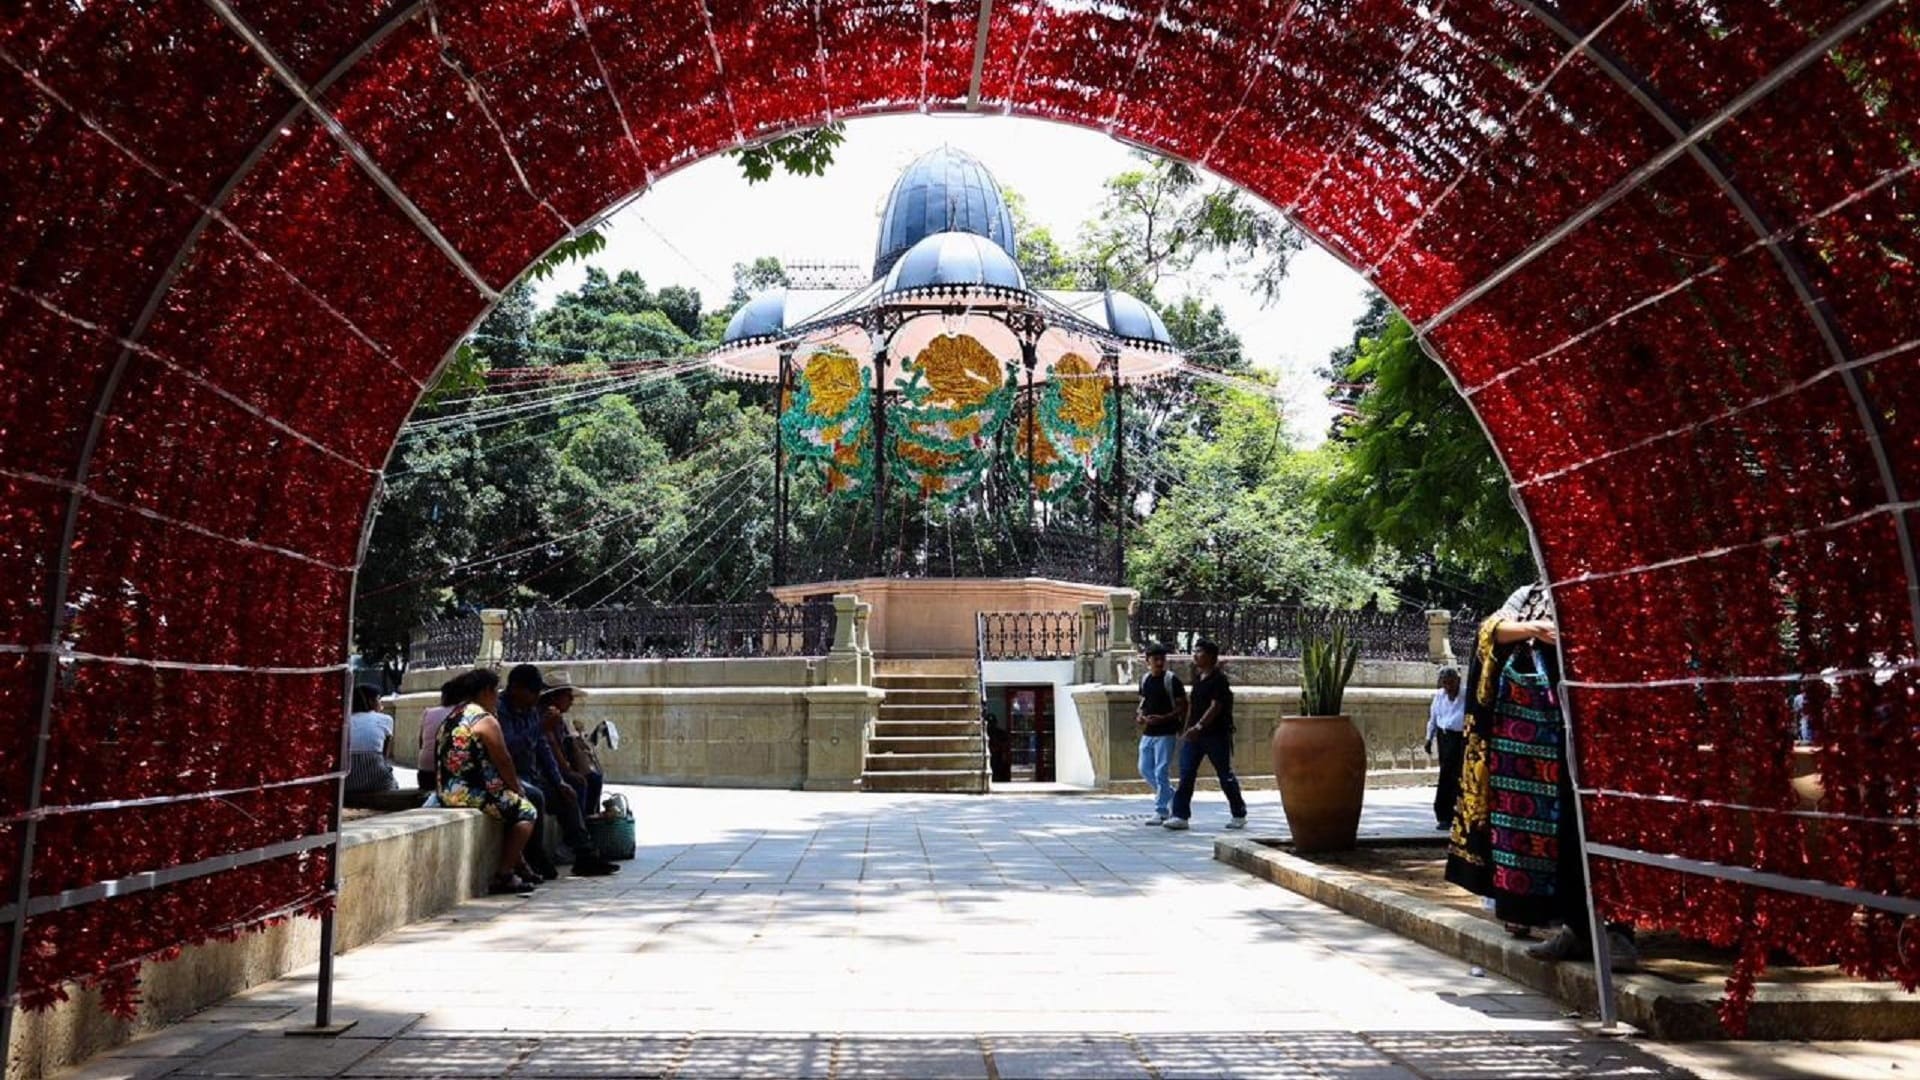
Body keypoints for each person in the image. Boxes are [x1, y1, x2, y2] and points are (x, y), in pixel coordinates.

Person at [1444, 583, 1638, 970]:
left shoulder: (1606, 584)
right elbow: (1492, 628)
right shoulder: (1533, 591)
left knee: (1600, 827)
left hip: (1595, 734)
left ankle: (1618, 933)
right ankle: (1577, 930)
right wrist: (1535, 630)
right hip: (1537, 746)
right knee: (1556, 837)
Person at [499, 664, 621, 877]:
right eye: (532, 693)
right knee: (536, 797)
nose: (535, 699)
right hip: (511, 775)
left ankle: (585, 854)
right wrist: (541, 728)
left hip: (532, 775)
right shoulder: (501, 711)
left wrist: (559, 781)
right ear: (517, 689)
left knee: (567, 795)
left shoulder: (532, 711)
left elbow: (543, 750)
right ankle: (533, 856)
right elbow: (509, 748)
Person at [433, 668, 539, 895]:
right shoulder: (484, 720)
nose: (498, 698)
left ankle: (522, 866)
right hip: (469, 793)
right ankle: (504, 874)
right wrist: (516, 788)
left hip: (447, 791)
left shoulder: (454, 715)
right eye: (496, 692)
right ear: (485, 692)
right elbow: (503, 759)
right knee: (526, 811)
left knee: (506, 809)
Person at [1164, 639, 1247, 831]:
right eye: (1195, 651)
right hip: (1194, 736)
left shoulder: (1219, 680)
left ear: (1211, 656)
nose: (1195, 656)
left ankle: (1239, 813)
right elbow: (1193, 706)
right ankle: (1180, 815)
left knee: (1224, 774)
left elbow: (1215, 706)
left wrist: (1199, 727)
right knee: (1186, 775)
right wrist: (1186, 728)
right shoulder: (1198, 678)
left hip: (1215, 735)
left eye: (1199, 652)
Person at [1135, 642, 1188, 824]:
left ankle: (1161, 810)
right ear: (1147, 661)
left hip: (1166, 732)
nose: (1159, 663)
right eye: (1155, 659)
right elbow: (1143, 701)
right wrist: (1140, 715)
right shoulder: (1145, 680)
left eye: (1162, 659)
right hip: (1149, 732)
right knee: (1144, 768)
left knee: (1161, 771)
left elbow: (1182, 706)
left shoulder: (1171, 680)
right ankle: (1171, 795)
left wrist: (1164, 718)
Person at [540, 670, 602, 819]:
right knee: (578, 782)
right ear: (555, 696)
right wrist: (567, 771)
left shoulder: (559, 719)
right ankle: (579, 827)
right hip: (546, 770)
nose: (571, 700)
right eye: (568, 696)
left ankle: (590, 818)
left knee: (594, 777)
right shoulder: (545, 716)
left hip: (560, 765)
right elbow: (550, 747)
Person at [1426, 666, 1466, 829]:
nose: (1448, 687)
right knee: (1446, 774)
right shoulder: (1439, 696)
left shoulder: (1466, 695)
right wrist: (1429, 739)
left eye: (1451, 683)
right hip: (1444, 737)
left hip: (1461, 738)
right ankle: (1444, 815)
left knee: (1458, 776)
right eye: (1445, 683)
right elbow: (1433, 719)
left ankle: (1457, 814)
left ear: (1458, 681)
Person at [345, 685, 397, 794]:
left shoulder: (344, 720)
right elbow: (384, 756)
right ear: (370, 701)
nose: (380, 703)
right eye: (378, 699)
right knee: (392, 784)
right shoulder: (385, 720)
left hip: (346, 781)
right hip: (376, 779)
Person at [416, 677, 463, 791]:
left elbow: (421, 742)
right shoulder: (463, 713)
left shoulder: (429, 712)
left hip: (425, 769)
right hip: (449, 774)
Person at [1791, 678, 1830, 744]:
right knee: (1806, 737)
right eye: (1803, 684)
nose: (1804, 686)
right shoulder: (1798, 698)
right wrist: (1795, 725)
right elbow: (1796, 713)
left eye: (1806, 684)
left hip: (1815, 720)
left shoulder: (1816, 697)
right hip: (1804, 720)